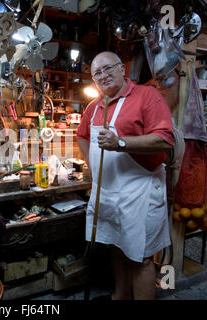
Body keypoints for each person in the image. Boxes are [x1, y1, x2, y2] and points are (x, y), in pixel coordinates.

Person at [76, 51, 175, 300]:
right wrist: (93, 167)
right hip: (108, 190)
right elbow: (82, 135)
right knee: (117, 246)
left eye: (108, 68)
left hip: (140, 189)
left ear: (122, 69)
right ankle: (119, 296)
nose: (103, 76)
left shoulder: (146, 96)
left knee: (141, 257)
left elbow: (165, 139)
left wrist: (120, 142)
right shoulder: (94, 106)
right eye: (97, 73)